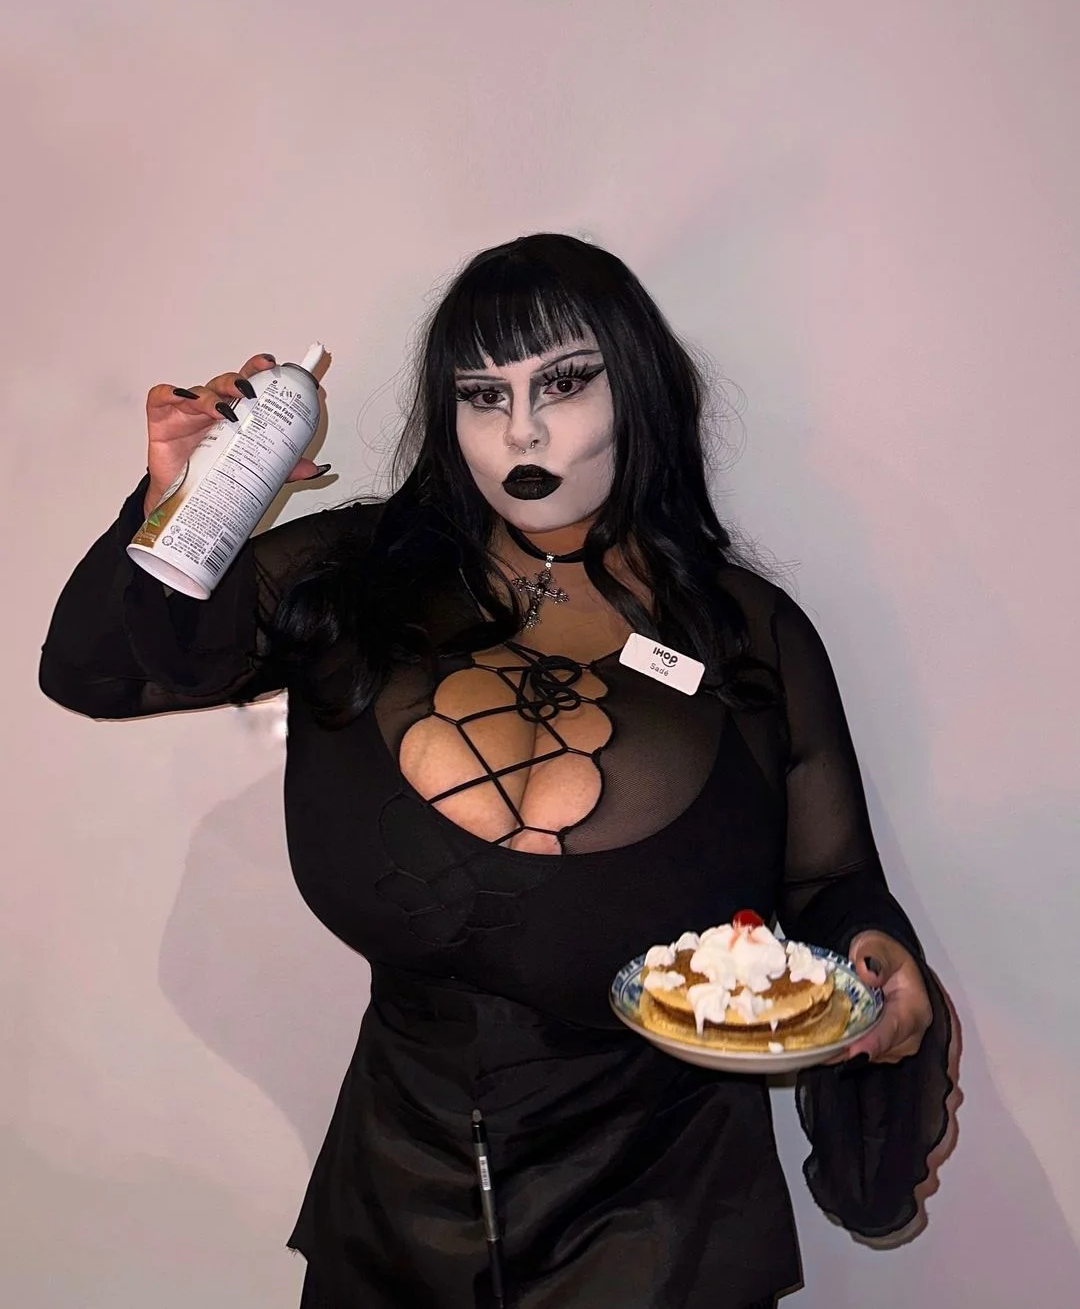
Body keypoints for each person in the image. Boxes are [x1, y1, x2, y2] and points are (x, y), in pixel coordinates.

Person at [39, 234, 951, 1308]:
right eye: (483, 394)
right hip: (392, 1212)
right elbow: (94, 670)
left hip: (669, 1230)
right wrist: (184, 502)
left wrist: (875, 949)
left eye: (564, 383)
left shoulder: (750, 634)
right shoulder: (357, 580)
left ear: (639, 391)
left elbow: (828, 881)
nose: (522, 429)